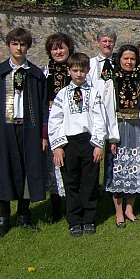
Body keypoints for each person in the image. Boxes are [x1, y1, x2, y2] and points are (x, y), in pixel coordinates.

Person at [0, 27, 48, 239]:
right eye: (15, 44)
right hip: (4, 130)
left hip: (28, 129)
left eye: (23, 44)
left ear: (28, 47)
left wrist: (43, 135)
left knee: (28, 170)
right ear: (9, 45)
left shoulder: (36, 75)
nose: (19, 48)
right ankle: (3, 218)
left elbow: (43, 107)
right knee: (3, 171)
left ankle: (24, 214)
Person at [48, 53, 108, 237]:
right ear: (69, 71)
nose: (79, 74)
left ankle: (89, 218)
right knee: (71, 182)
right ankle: (74, 220)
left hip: (88, 141)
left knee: (89, 182)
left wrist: (98, 144)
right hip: (69, 142)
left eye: (82, 70)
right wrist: (58, 146)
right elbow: (55, 120)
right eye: (75, 70)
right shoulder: (62, 94)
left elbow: (100, 119)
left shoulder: (94, 94)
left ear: (87, 71)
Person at [103, 45, 140, 228]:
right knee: (118, 169)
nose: (129, 62)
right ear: (119, 60)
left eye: (132, 59)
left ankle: (130, 208)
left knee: (134, 167)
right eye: (126, 59)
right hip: (119, 128)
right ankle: (119, 212)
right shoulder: (112, 82)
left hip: (136, 128)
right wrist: (112, 137)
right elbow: (108, 111)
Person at [43, 32, 75, 223]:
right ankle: (55, 209)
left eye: (61, 47)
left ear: (69, 48)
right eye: (55, 48)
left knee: (72, 163)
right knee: (54, 165)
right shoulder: (45, 71)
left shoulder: (75, 68)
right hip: (53, 121)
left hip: (72, 121)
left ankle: (74, 205)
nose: (58, 51)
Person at [88, 27, 117, 93]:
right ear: (98, 43)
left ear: (114, 44)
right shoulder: (90, 64)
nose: (107, 44)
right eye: (104, 41)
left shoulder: (118, 63)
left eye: (110, 41)